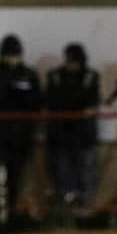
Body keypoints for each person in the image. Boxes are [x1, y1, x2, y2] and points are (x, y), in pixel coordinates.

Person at [0, 35, 41, 228]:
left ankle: (12, 215)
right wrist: (4, 92)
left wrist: (21, 95)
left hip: (20, 138)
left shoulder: (28, 74)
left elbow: (37, 102)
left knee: (15, 180)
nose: (12, 60)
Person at [46, 43, 99, 208]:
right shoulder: (55, 76)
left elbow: (90, 103)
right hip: (60, 136)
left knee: (85, 174)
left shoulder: (91, 76)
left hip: (84, 136)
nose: (73, 66)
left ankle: (84, 208)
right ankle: (64, 208)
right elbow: (53, 101)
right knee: (62, 174)